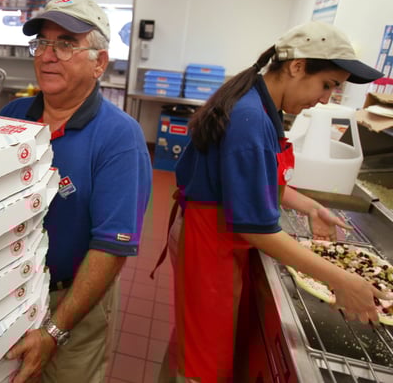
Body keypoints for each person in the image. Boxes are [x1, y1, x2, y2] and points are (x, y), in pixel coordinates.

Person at [159, 21, 390, 382]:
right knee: (202, 362)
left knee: (193, 342)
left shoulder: (257, 100)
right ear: (296, 66)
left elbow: (252, 179)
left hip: (212, 236)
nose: (326, 98)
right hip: (209, 248)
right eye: (327, 84)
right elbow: (259, 230)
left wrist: (310, 206)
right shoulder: (250, 119)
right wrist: (342, 280)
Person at [0, 0, 153, 383]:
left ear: (99, 63)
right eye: (43, 43)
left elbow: (112, 247)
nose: (48, 55)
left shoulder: (120, 138)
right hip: (5, 295)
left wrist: (54, 332)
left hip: (69, 302)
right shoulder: (12, 118)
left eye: (66, 44)